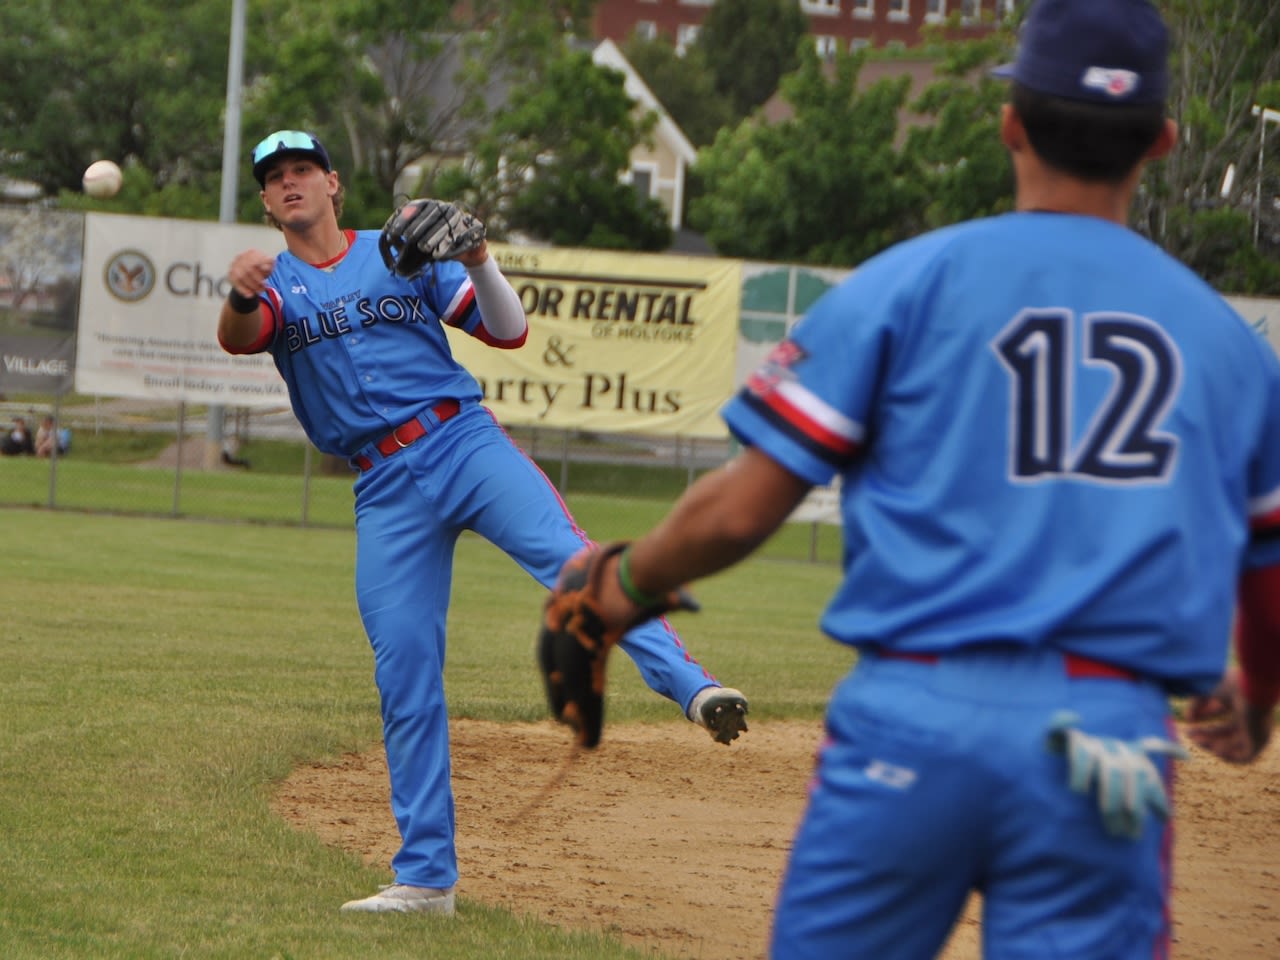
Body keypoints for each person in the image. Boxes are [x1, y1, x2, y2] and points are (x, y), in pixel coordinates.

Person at [556, 1, 1280, 957]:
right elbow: (1267, 574)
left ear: (1010, 121)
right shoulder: (1230, 343)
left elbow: (738, 512)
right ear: (1162, 142)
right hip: (1109, 733)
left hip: (916, 718)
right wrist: (1258, 693)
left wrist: (620, 589)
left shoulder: (911, 280)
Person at [216, 129, 748, 915]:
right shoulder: (271, 286)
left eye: (302, 170)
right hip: (381, 484)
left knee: (575, 565)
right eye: (275, 177)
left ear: (333, 184)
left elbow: (506, 330)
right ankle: (427, 878)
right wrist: (234, 290)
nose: (289, 184)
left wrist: (479, 259)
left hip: (461, 441)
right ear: (265, 200)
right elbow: (238, 339)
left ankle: (695, 689)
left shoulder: (397, 251)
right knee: (404, 669)